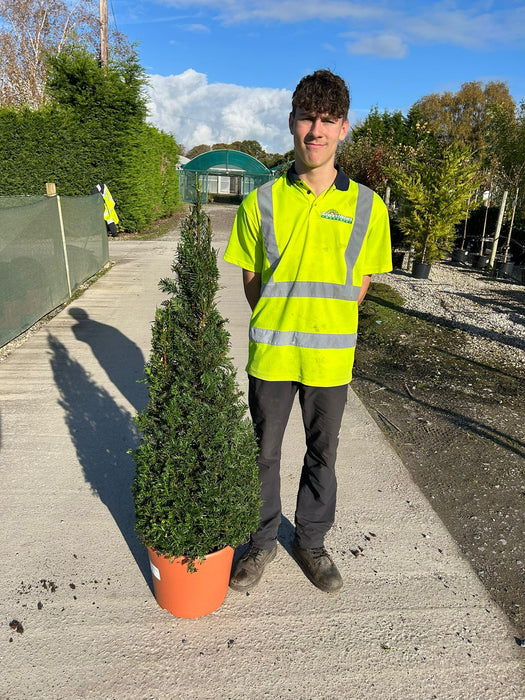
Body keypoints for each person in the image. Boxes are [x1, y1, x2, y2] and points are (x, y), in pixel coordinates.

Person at [223, 69, 392, 594]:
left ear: (344, 127)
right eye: (306, 118)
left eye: (327, 120)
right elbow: (251, 281)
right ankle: (261, 541)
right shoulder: (261, 202)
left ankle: (311, 542)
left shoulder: (368, 206)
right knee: (263, 454)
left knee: (324, 453)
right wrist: (284, 317)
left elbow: (360, 284)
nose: (315, 130)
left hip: (330, 361)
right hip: (272, 355)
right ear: (291, 123)